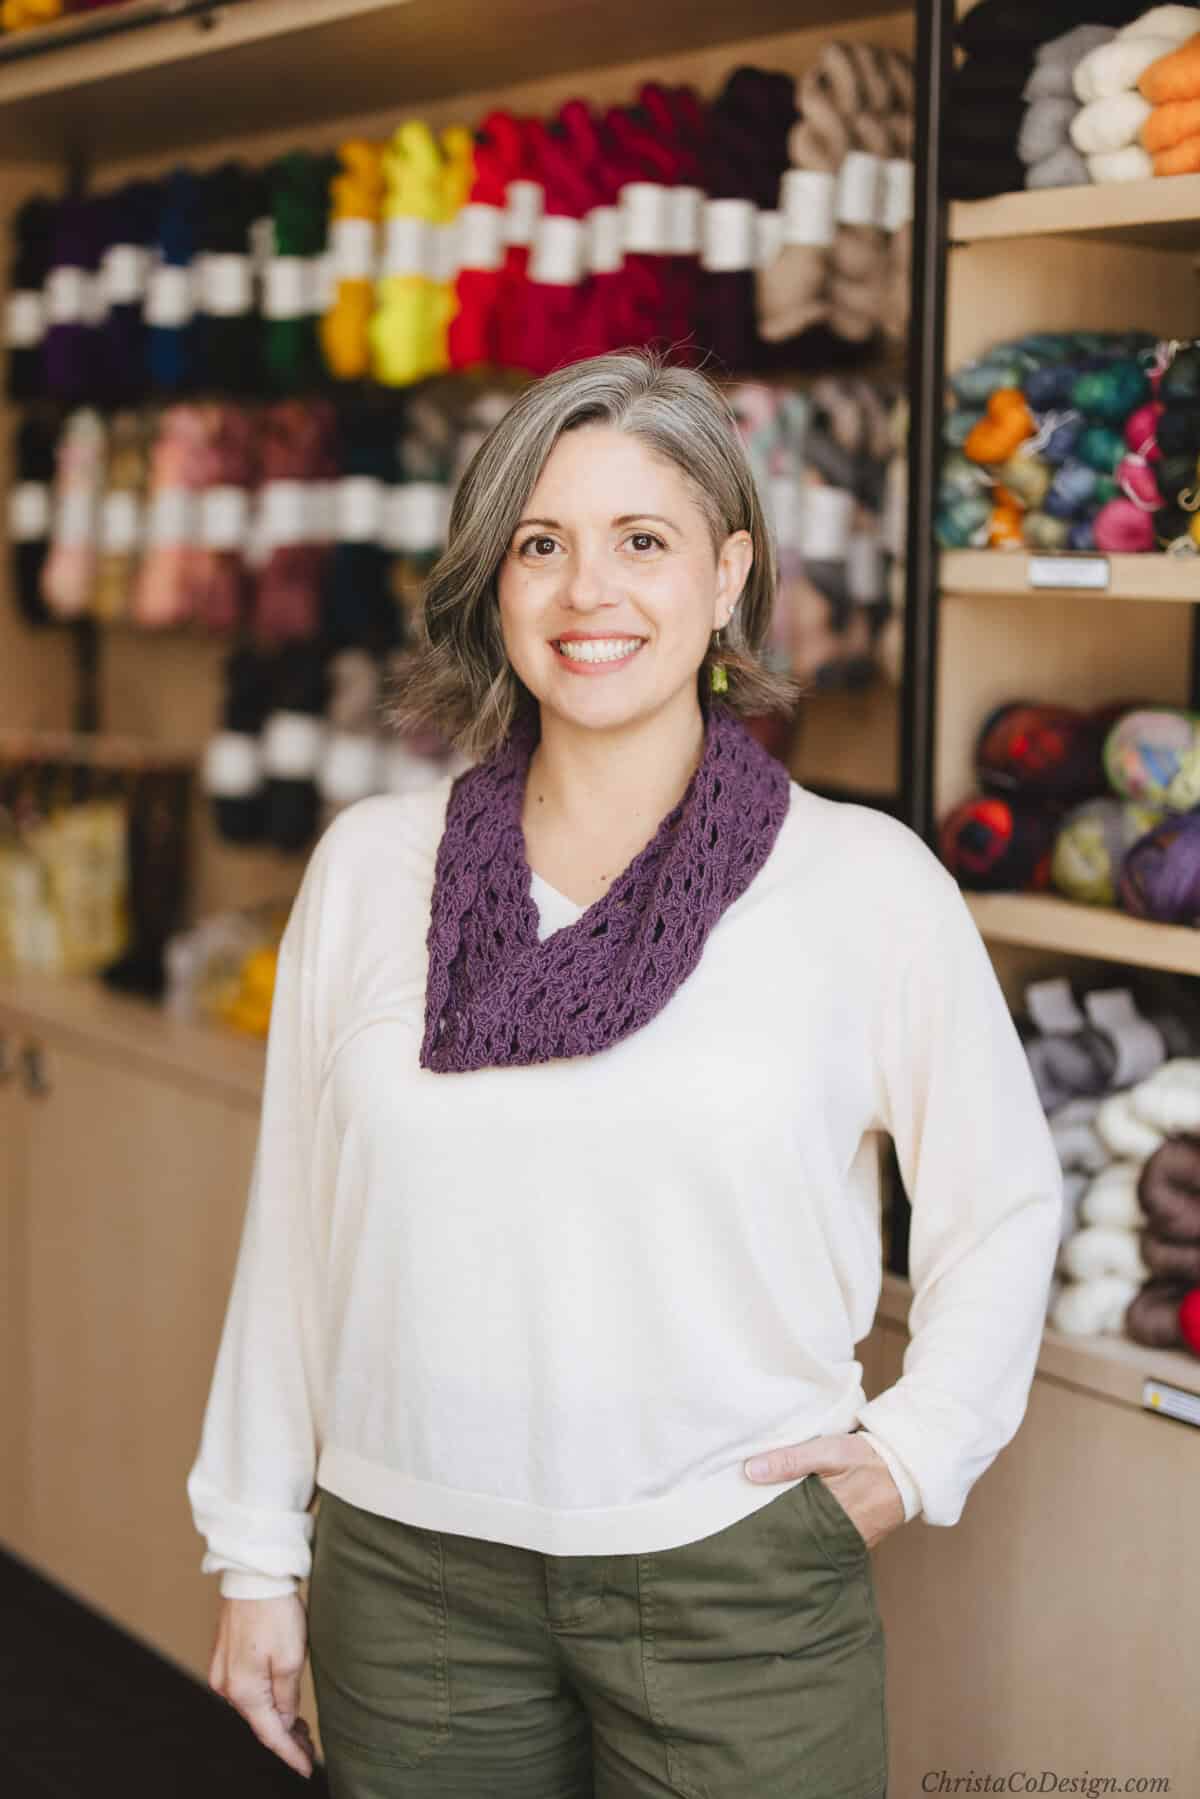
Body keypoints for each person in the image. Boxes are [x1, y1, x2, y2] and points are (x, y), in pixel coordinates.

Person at [188, 347, 1064, 1798]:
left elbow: (1004, 1204)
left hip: (733, 1586)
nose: (589, 592)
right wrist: (255, 1555)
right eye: (543, 545)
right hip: (410, 1586)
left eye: (640, 542)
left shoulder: (860, 884)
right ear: (495, 584)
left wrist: (911, 1455)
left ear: (726, 576)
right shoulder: (370, 868)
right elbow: (295, 1230)